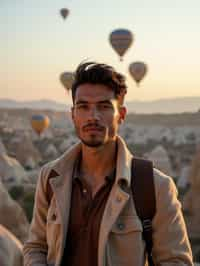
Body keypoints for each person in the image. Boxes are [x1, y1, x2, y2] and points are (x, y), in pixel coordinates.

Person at [23, 62, 193, 266]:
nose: (92, 117)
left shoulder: (155, 187)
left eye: (104, 107)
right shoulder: (50, 177)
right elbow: (36, 247)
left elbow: (176, 261)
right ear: (73, 115)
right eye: (83, 107)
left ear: (120, 115)